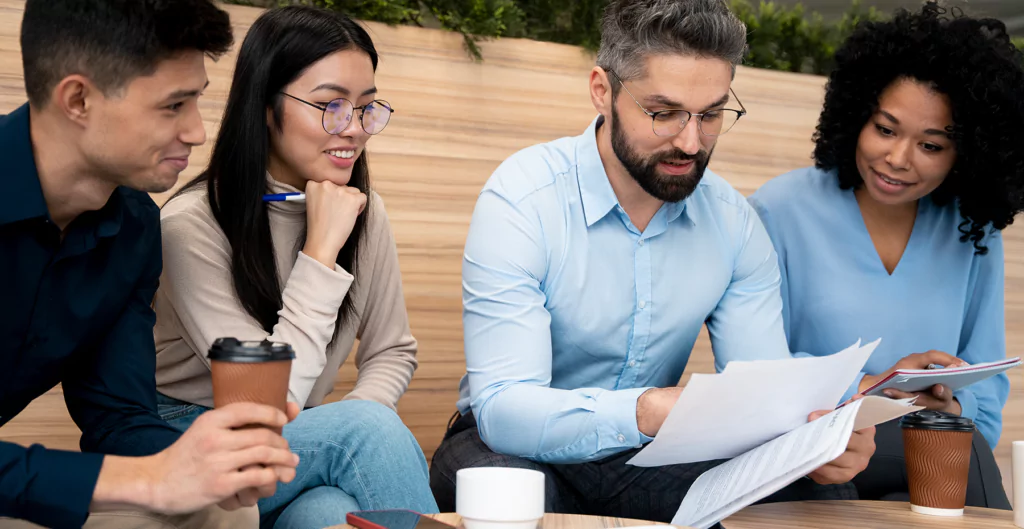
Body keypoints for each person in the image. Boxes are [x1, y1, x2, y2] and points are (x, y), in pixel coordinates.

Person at [429, 0, 877, 521]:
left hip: (650, 457)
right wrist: (648, 411)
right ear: (603, 90)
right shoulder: (524, 197)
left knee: (820, 495)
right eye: (663, 113)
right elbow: (504, 412)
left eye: (710, 115)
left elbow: (761, 381)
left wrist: (816, 439)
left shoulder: (733, 221)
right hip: (512, 447)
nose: (690, 142)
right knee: (510, 491)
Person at [0, 1, 305, 528]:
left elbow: (118, 417)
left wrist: (208, 464)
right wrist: (151, 480)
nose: (197, 132)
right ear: (78, 99)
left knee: (216, 511)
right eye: (173, 105)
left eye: (197, 102)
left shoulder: (135, 229)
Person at [149, 6, 438, 529]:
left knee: (325, 513)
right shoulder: (190, 226)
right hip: (193, 442)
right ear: (265, 104)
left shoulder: (361, 213)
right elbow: (264, 400)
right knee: (365, 431)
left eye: (367, 108)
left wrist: (357, 421)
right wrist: (321, 253)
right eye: (330, 105)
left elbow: (392, 350)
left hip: (297, 443)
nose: (353, 129)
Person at [747, 2, 1022, 509]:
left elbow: (987, 379)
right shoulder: (779, 210)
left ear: (969, 153)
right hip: (812, 445)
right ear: (856, 116)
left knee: (960, 453)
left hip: (926, 444)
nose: (897, 159)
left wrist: (949, 398)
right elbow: (756, 364)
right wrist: (874, 386)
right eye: (886, 129)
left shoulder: (971, 231)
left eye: (932, 145)